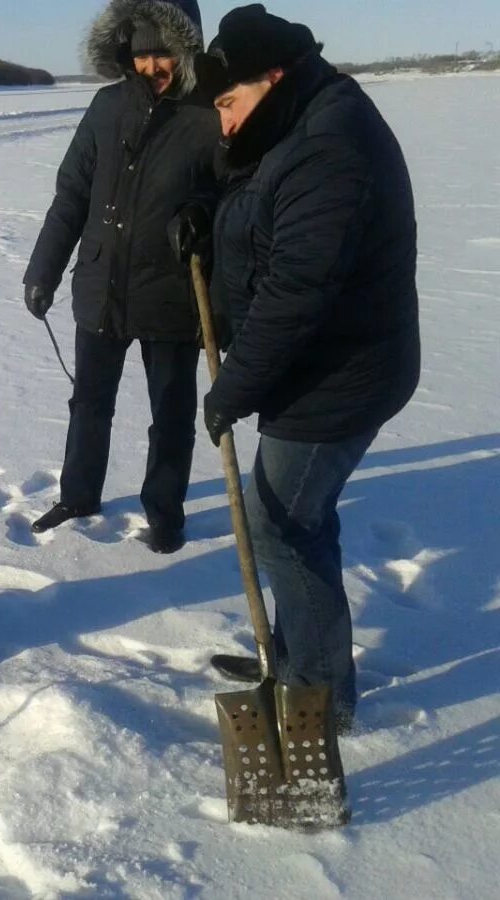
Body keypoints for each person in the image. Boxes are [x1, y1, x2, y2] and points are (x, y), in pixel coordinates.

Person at [182, 5, 421, 729]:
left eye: (227, 103)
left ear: (271, 77)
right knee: (293, 522)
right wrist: (202, 211)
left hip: (338, 379)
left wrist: (233, 388)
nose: (223, 123)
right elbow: (259, 203)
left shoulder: (329, 146)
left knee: (280, 528)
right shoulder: (301, 119)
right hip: (321, 368)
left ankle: (316, 694)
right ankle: (295, 659)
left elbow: (297, 292)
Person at [23, 0, 221, 553]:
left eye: (165, 54)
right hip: (102, 285)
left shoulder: (207, 110)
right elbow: (72, 195)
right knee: (89, 403)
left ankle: (165, 512)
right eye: (143, 54)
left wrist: (202, 213)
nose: (153, 66)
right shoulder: (106, 107)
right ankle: (79, 494)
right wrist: (44, 270)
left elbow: (233, 188)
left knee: (172, 413)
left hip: (174, 292)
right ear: (126, 52)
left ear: (186, 51)